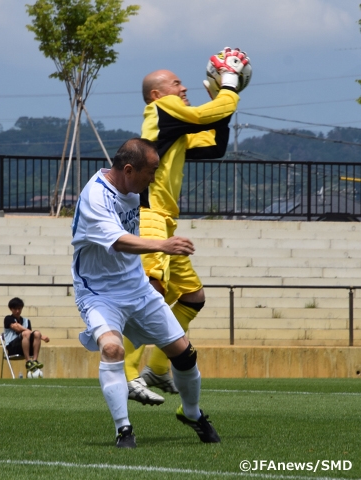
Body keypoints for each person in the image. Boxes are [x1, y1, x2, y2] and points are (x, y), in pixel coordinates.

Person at [71, 137, 220, 449]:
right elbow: (118, 241)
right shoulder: (95, 197)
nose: (154, 177)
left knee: (185, 354)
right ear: (128, 169)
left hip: (137, 289)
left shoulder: (131, 189)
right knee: (112, 349)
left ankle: (192, 413)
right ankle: (124, 430)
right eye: (151, 171)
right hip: (99, 294)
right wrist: (163, 245)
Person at [124, 49, 248, 401]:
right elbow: (211, 113)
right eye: (176, 83)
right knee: (151, 293)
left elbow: (212, 144)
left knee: (192, 297)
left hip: (164, 224)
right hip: (148, 217)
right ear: (156, 94)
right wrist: (228, 84)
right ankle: (128, 374)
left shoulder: (172, 131)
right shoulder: (160, 111)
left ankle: (160, 368)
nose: (183, 87)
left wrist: (220, 103)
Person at [3, 297, 49, 374]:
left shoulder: (26, 321)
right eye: (15, 309)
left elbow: (31, 335)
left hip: (25, 348)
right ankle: (28, 361)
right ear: (11, 309)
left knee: (37, 333)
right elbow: (17, 328)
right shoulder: (8, 318)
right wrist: (42, 337)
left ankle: (34, 360)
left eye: (19, 309)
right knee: (26, 333)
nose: (17, 311)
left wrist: (39, 335)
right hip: (13, 348)